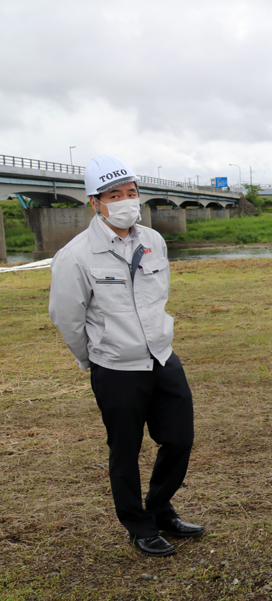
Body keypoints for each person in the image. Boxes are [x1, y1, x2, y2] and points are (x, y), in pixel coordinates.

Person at [49, 154, 203, 558]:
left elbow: (158, 298)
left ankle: (160, 508)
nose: (125, 201)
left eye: (131, 193)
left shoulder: (154, 241)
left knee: (179, 438)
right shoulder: (77, 255)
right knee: (125, 449)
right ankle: (138, 526)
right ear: (94, 202)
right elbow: (67, 316)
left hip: (162, 356)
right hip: (116, 367)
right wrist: (95, 358)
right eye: (113, 194)